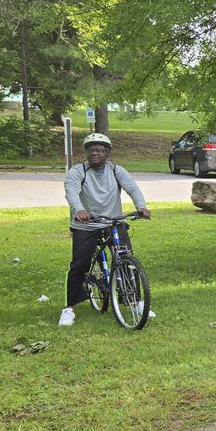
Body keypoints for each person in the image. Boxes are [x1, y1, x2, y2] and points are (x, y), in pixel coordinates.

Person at [60, 132, 150, 326]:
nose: (94, 153)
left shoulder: (117, 171)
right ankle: (69, 308)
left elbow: (132, 188)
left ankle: (134, 302)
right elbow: (71, 191)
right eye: (91, 150)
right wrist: (79, 210)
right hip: (86, 224)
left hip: (113, 222)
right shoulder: (78, 171)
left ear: (108, 152)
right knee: (79, 266)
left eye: (99, 150)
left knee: (127, 261)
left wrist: (141, 207)